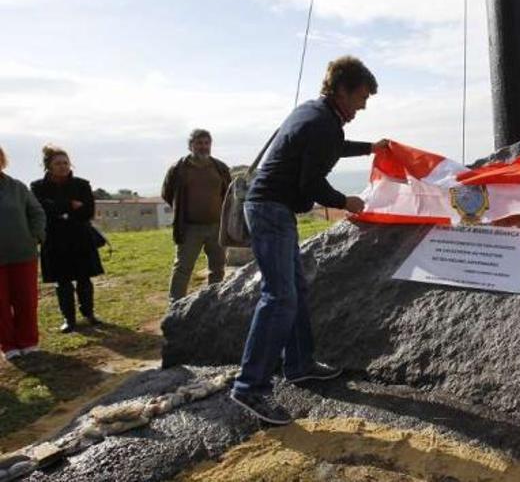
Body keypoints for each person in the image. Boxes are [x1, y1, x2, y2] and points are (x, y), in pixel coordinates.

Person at [230, 55, 389, 424]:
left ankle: (299, 365)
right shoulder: (322, 123)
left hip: (273, 209)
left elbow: (328, 147)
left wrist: (370, 147)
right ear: (342, 89)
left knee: (294, 290)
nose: (362, 106)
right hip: (271, 211)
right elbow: (311, 184)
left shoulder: (316, 114)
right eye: (361, 97)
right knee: (280, 297)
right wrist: (344, 201)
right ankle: (249, 387)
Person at [30, 145, 103, 333]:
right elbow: (42, 211)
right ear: (49, 166)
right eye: (58, 163)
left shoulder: (82, 185)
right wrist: (70, 205)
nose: (63, 166)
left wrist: (59, 209)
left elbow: (87, 212)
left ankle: (89, 313)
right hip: (54, 240)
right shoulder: (37, 187)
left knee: (84, 279)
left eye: (65, 163)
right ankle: (68, 319)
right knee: (62, 282)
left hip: (80, 237)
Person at [161, 129, 232, 302]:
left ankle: (213, 302)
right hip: (189, 228)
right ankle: (175, 305)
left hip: (217, 227)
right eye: (199, 143)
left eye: (207, 143)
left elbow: (228, 193)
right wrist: (183, 210)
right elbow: (167, 193)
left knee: (217, 268)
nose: (203, 147)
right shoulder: (178, 169)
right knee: (183, 268)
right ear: (190, 145)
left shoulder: (220, 168)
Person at [0, 146, 46, 360]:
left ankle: (28, 341)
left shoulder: (17, 187)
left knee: (26, 300)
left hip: (22, 253)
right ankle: (8, 345)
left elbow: (36, 211)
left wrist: (36, 235)